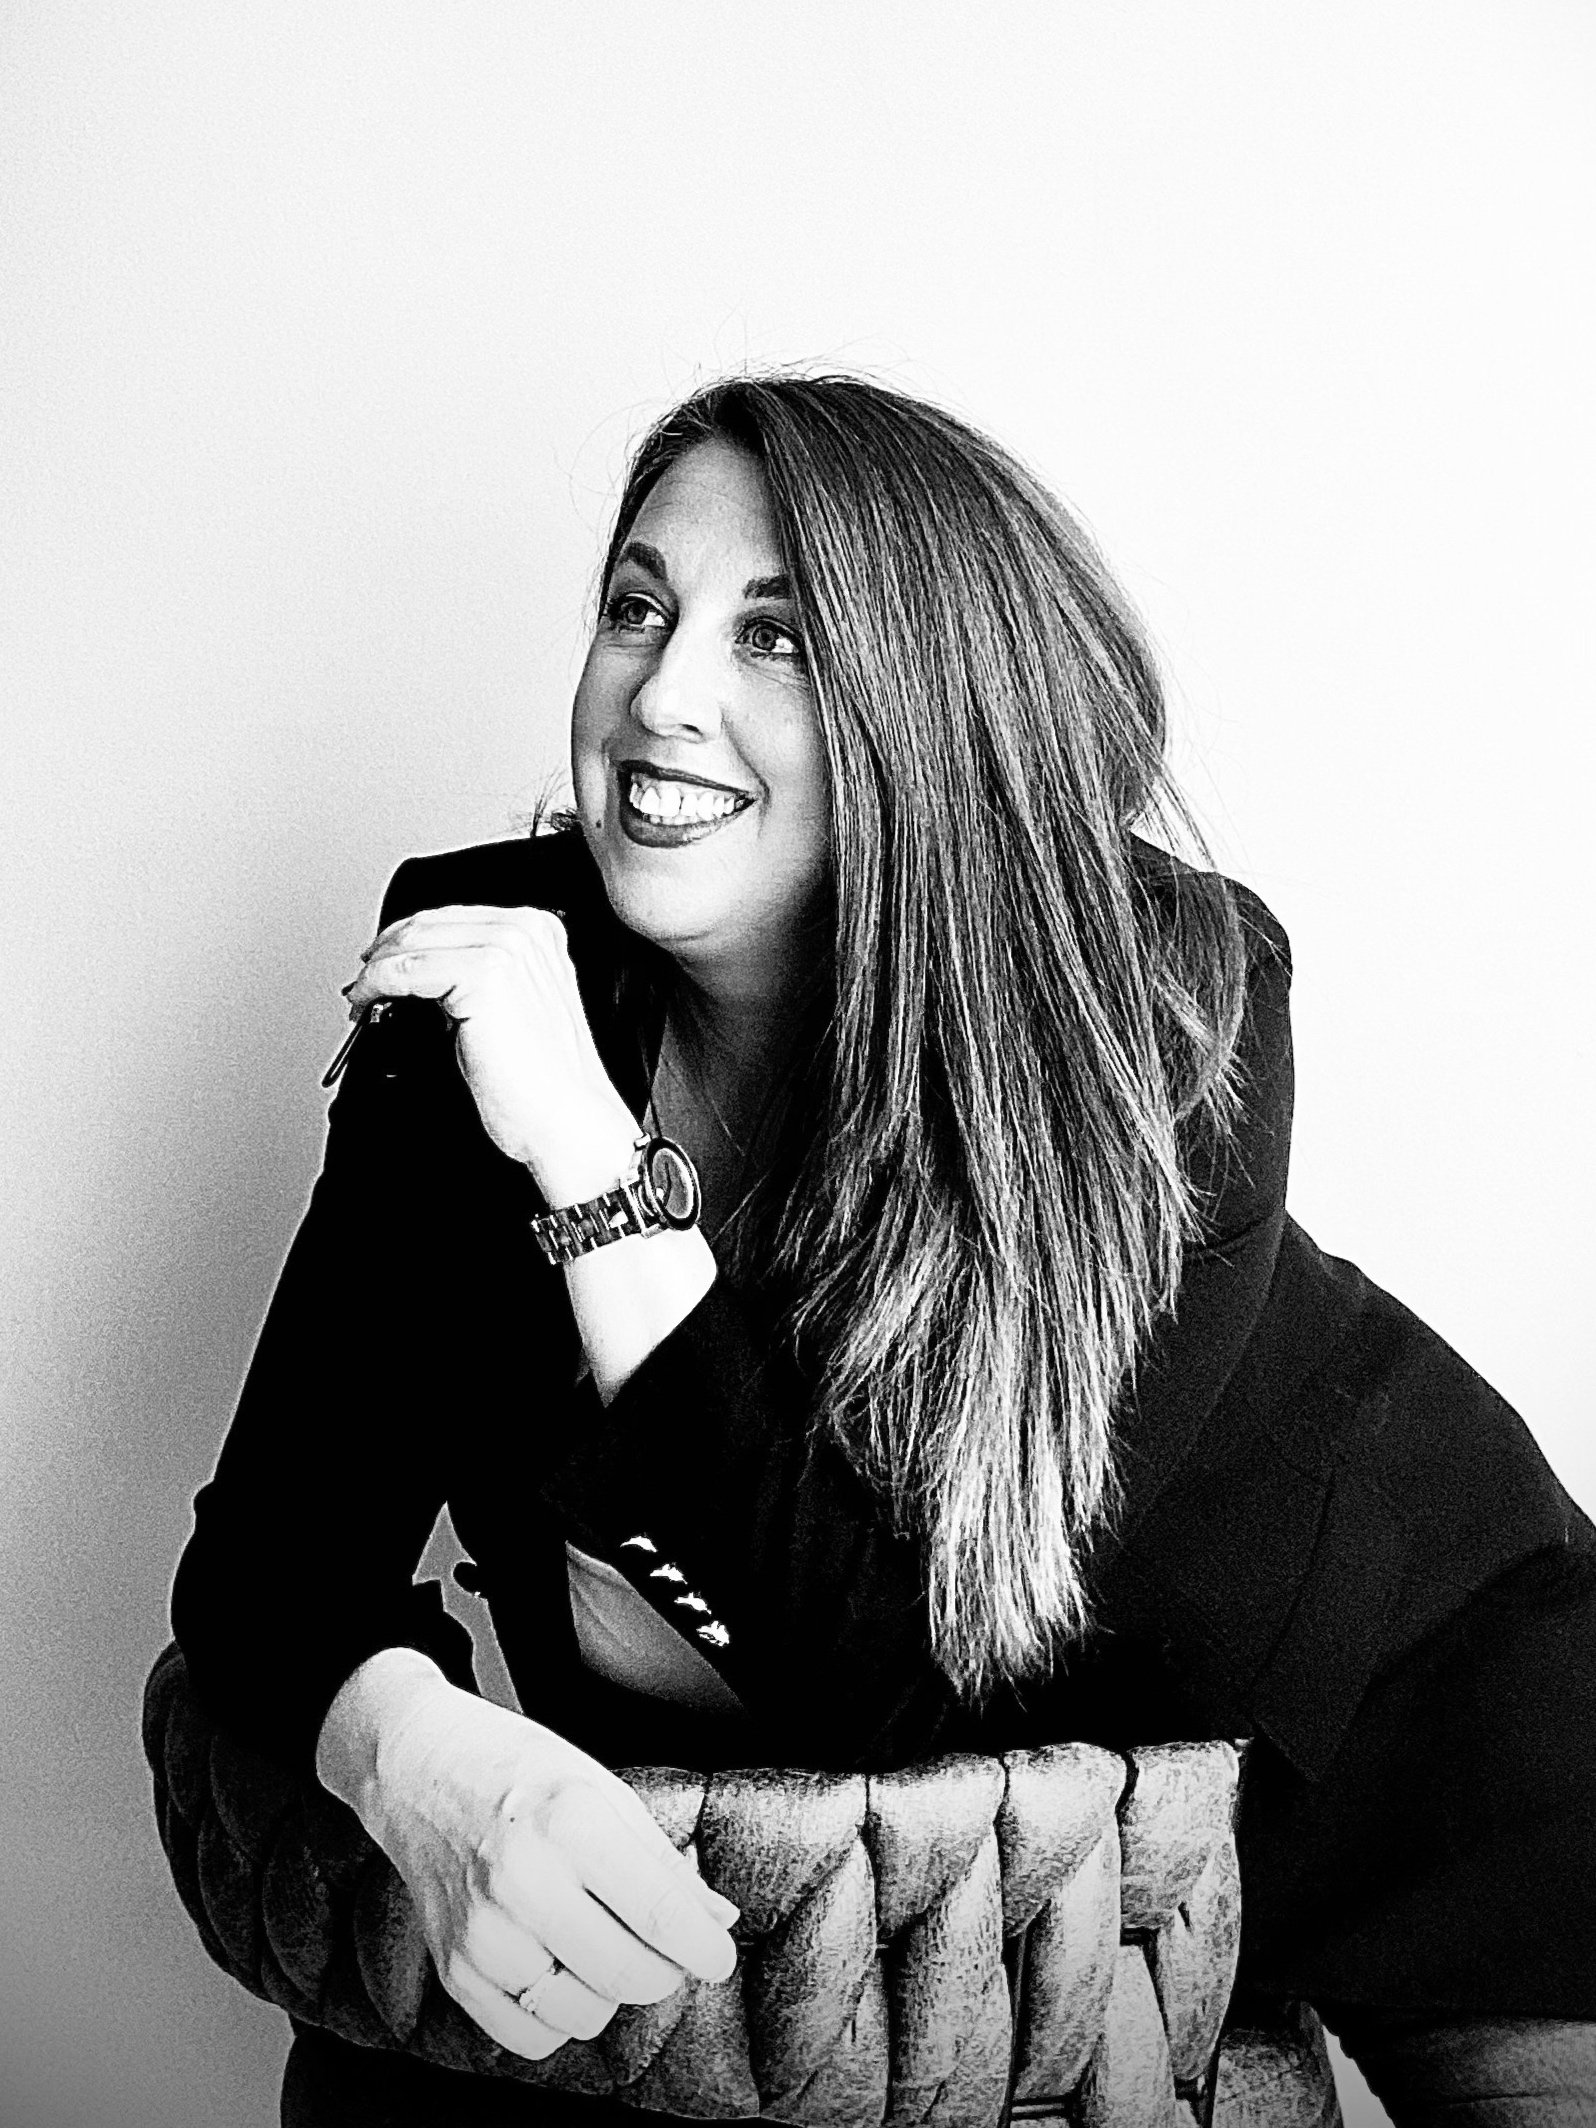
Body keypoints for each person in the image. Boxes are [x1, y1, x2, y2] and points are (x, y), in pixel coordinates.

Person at [171, 374, 1596, 2125]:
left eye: (779, 637)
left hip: (1418, 1755)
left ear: (932, 706)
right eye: (637, 609)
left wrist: (596, 1167)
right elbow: (270, 1557)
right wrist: (427, 1759)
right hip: (965, 1911)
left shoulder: (1158, 1001)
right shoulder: (493, 980)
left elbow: (899, 1682)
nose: (661, 693)